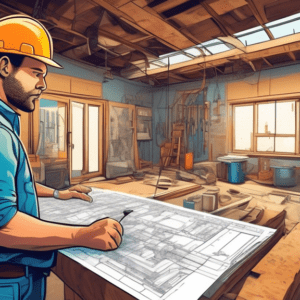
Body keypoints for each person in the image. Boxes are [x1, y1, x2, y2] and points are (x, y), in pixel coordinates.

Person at [0, 15, 123, 300]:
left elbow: (17, 189)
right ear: (5, 66)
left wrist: (58, 194)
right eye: (36, 72)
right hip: (11, 282)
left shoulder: (8, 126)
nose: (43, 84)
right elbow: (3, 225)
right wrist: (82, 235)